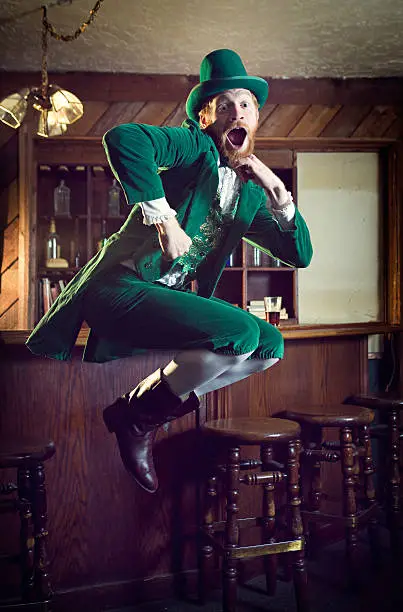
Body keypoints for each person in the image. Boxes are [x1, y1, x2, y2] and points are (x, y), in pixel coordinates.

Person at [26, 49, 313, 494]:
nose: (235, 112)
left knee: (269, 346)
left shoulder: (251, 195)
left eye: (245, 104)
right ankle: (138, 418)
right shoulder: (193, 147)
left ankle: (137, 412)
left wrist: (278, 191)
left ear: (256, 118)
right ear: (204, 119)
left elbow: (300, 255)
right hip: (120, 288)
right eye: (223, 105)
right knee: (239, 335)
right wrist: (165, 220)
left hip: (161, 295)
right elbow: (124, 138)